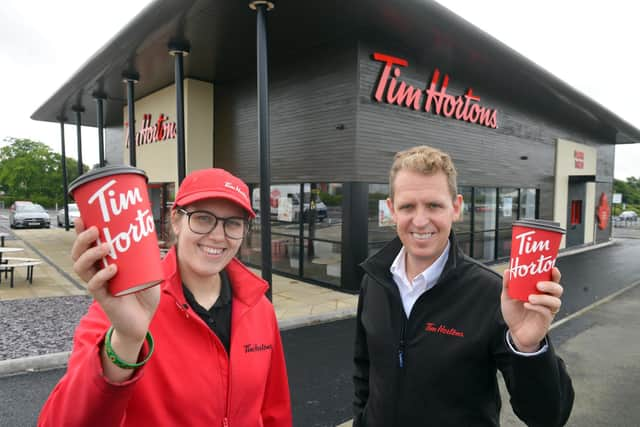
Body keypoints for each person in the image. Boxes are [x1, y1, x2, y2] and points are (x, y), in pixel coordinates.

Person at [39, 168, 292, 427]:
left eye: (233, 223)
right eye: (203, 218)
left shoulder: (260, 309)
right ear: (176, 220)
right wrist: (127, 340)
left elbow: (274, 411)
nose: (218, 235)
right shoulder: (127, 302)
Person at [352, 145, 574, 427]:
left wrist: (528, 347)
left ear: (456, 208)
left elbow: (548, 417)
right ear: (391, 210)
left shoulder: (493, 294)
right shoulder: (374, 280)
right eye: (407, 206)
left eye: (434, 205)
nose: (420, 221)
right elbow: (363, 371)